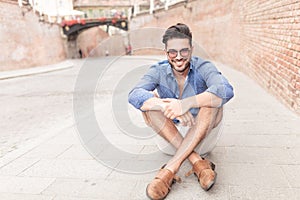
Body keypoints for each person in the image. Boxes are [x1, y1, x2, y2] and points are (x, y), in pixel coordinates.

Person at [128, 23, 234, 199]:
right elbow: (134, 95)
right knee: (149, 103)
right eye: (172, 52)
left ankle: (170, 169)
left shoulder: (204, 66)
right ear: (166, 53)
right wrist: (164, 105)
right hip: (170, 138)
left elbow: (226, 90)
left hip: (203, 138)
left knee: (211, 101)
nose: (178, 57)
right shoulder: (158, 70)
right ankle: (197, 162)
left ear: (191, 50)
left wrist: (186, 103)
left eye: (184, 51)